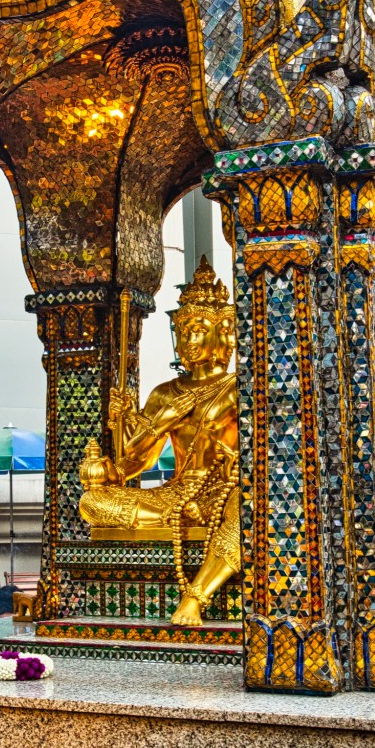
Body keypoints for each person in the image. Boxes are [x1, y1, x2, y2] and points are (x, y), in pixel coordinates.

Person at [79, 256, 240, 627]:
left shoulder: (237, 388)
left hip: (223, 489)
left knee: (248, 507)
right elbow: (134, 466)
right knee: (93, 501)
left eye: (198, 329)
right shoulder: (165, 393)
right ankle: (177, 516)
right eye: (182, 331)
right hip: (175, 495)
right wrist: (142, 425)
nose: (188, 339)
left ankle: (196, 596)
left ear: (223, 332)